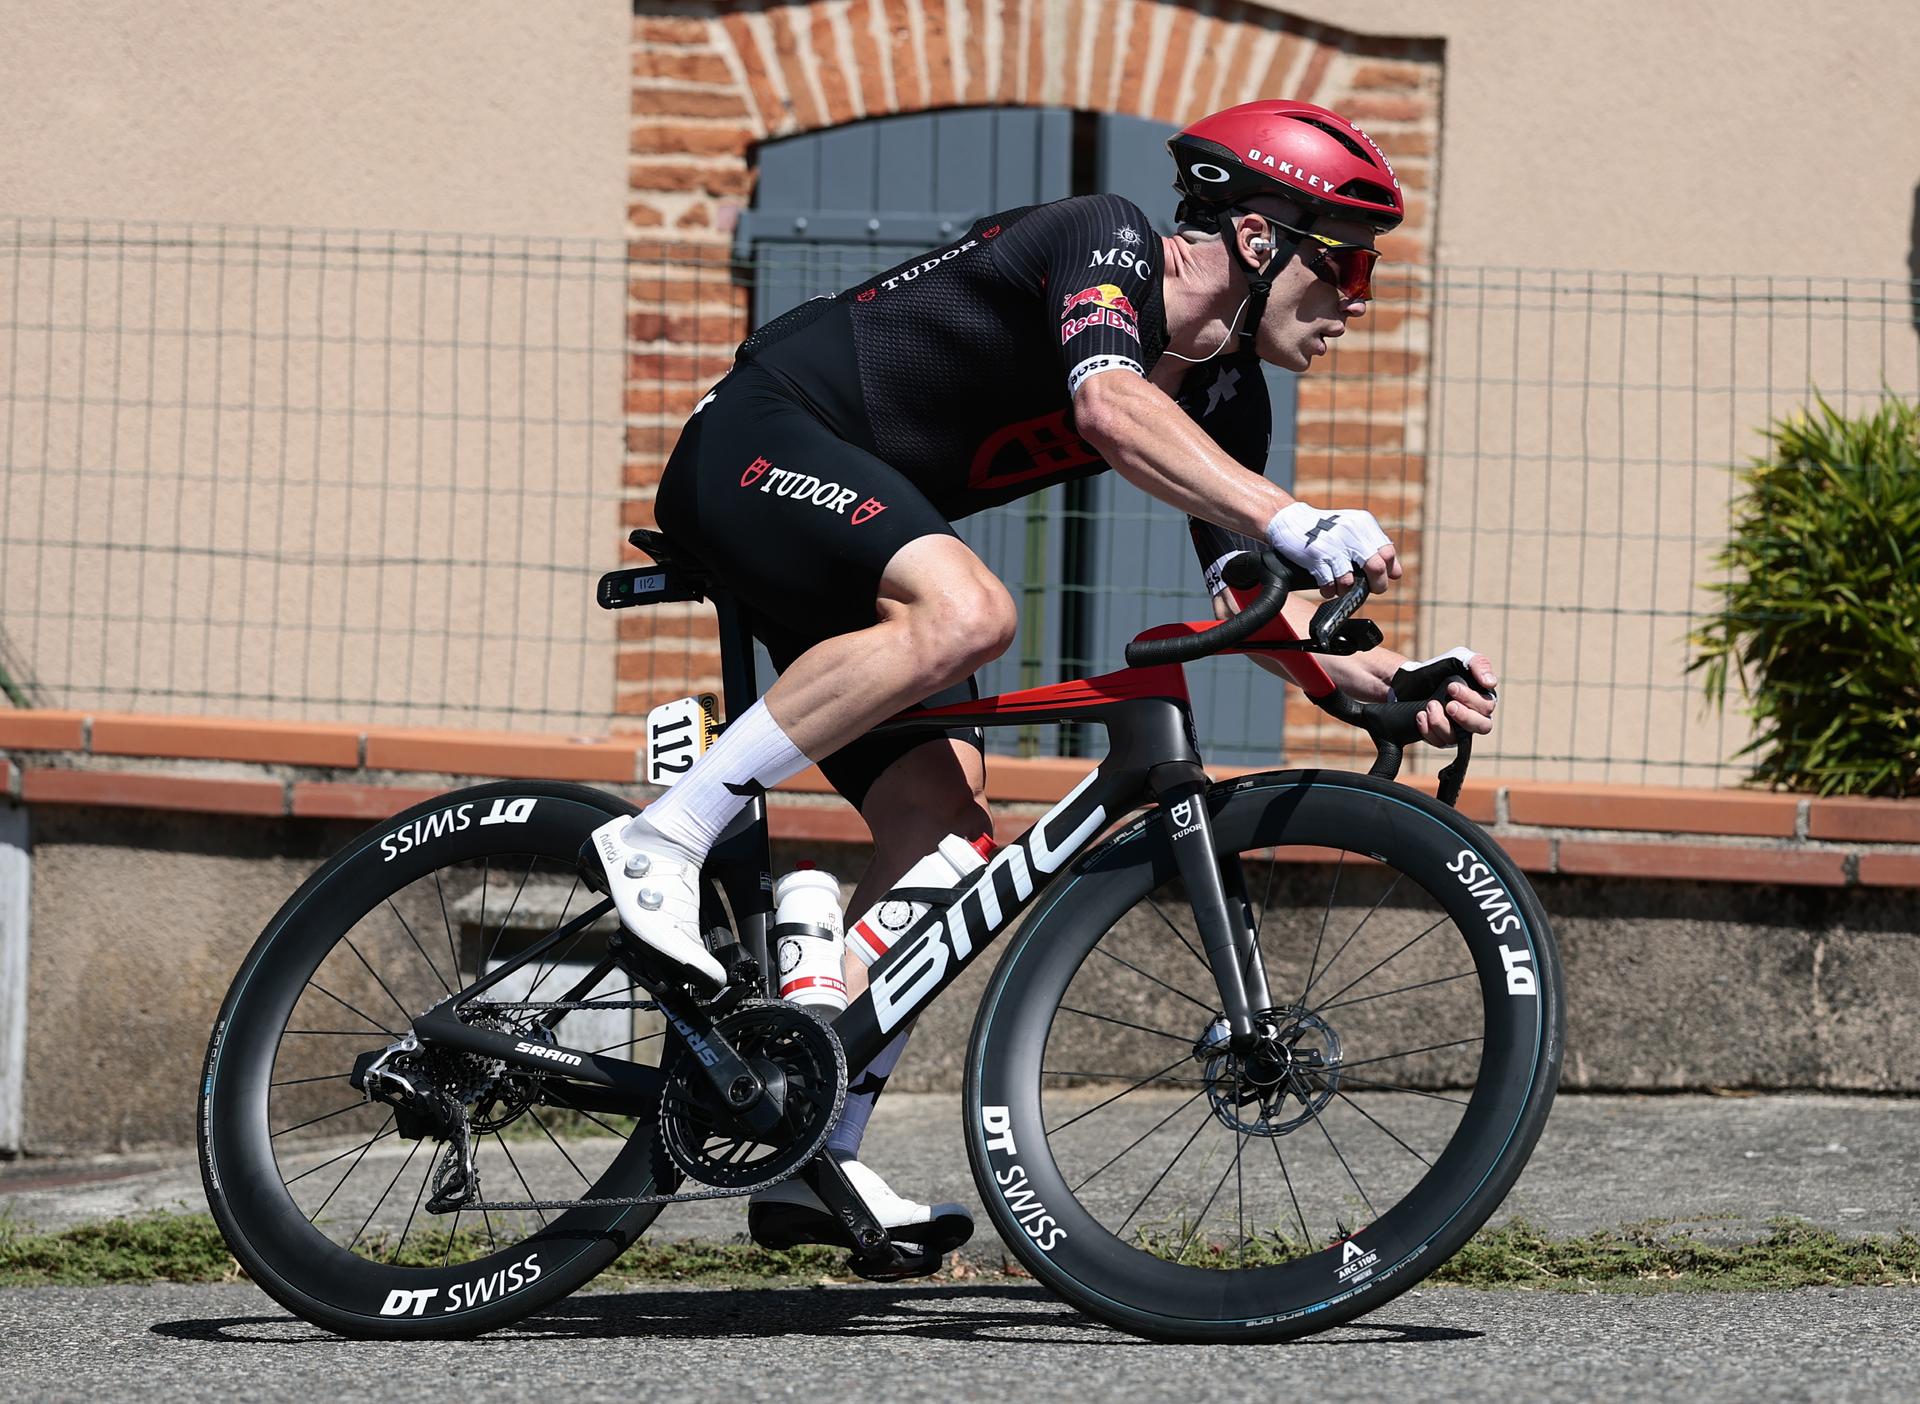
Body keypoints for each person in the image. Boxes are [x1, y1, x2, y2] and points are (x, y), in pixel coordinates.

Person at [589, 100, 1499, 1268]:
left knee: (947, 835)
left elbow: (1248, 598)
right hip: (756, 443)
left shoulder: (1226, 392)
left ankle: (808, 1146)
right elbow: (1107, 404)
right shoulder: (1105, 239)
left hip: (843, 535)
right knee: (969, 612)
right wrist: (1295, 514)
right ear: (1264, 239)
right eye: (1349, 261)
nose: (1358, 301)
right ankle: (665, 836)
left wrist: (1377, 682)